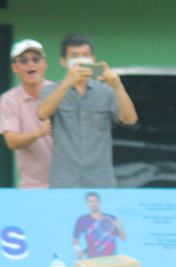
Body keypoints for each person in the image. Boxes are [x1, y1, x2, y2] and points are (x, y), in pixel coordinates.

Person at [37, 33, 138, 188]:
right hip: (64, 180)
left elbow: (130, 119)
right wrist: (66, 84)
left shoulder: (106, 91)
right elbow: (42, 113)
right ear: (64, 62)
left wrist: (118, 87)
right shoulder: (51, 90)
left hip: (100, 179)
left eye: (85, 55)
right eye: (75, 56)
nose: (81, 60)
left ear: (93, 59)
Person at [0, 39, 54, 188]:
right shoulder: (8, 100)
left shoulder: (59, 93)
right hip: (32, 187)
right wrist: (39, 133)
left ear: (45, 64)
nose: (30, 64)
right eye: (23, 60)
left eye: (36, 59)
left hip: (67, 184)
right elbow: (12, 141)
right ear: (15, 67)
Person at [72, 191, 126, 259]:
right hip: (93, 258)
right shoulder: (82, 220)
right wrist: (78, 250)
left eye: (96, 201)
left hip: (112, 258)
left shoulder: (111, 218)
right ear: (87, 203)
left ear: (100, 202)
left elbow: (123, 238)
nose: (94, 204)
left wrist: (120, 228)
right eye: (91, 201)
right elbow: (75, 238)